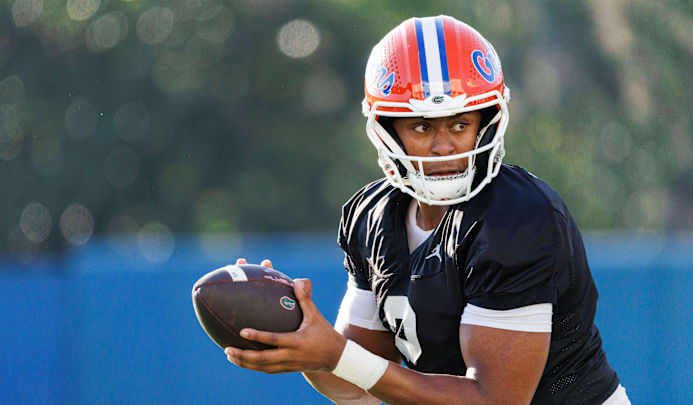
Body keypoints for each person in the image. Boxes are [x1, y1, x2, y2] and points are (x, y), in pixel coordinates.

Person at [226, 15, 631, 405]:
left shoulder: (518, 217)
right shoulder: (371, 217)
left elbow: (496, 401)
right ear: (389, 131)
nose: (444, 146)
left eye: (459, 125)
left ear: (485, 124)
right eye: (422, 127)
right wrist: (296, 334)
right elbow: (356, 387)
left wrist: (334, 354)